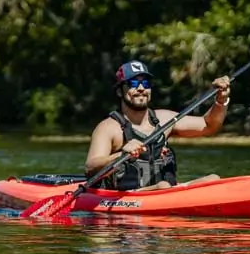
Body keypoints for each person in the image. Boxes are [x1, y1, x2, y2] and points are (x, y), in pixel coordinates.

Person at [84, 60, 231, 191]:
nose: (141, 88)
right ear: (119, 91)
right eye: (133, 83)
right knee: (163, 186)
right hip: (129, 197)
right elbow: (91, 167)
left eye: (146, 83)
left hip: (166, 192)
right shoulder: (109, 128)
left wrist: (221, 100)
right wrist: (121, 155)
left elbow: (208, 125)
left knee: (213, 178)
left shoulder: (165, 119)